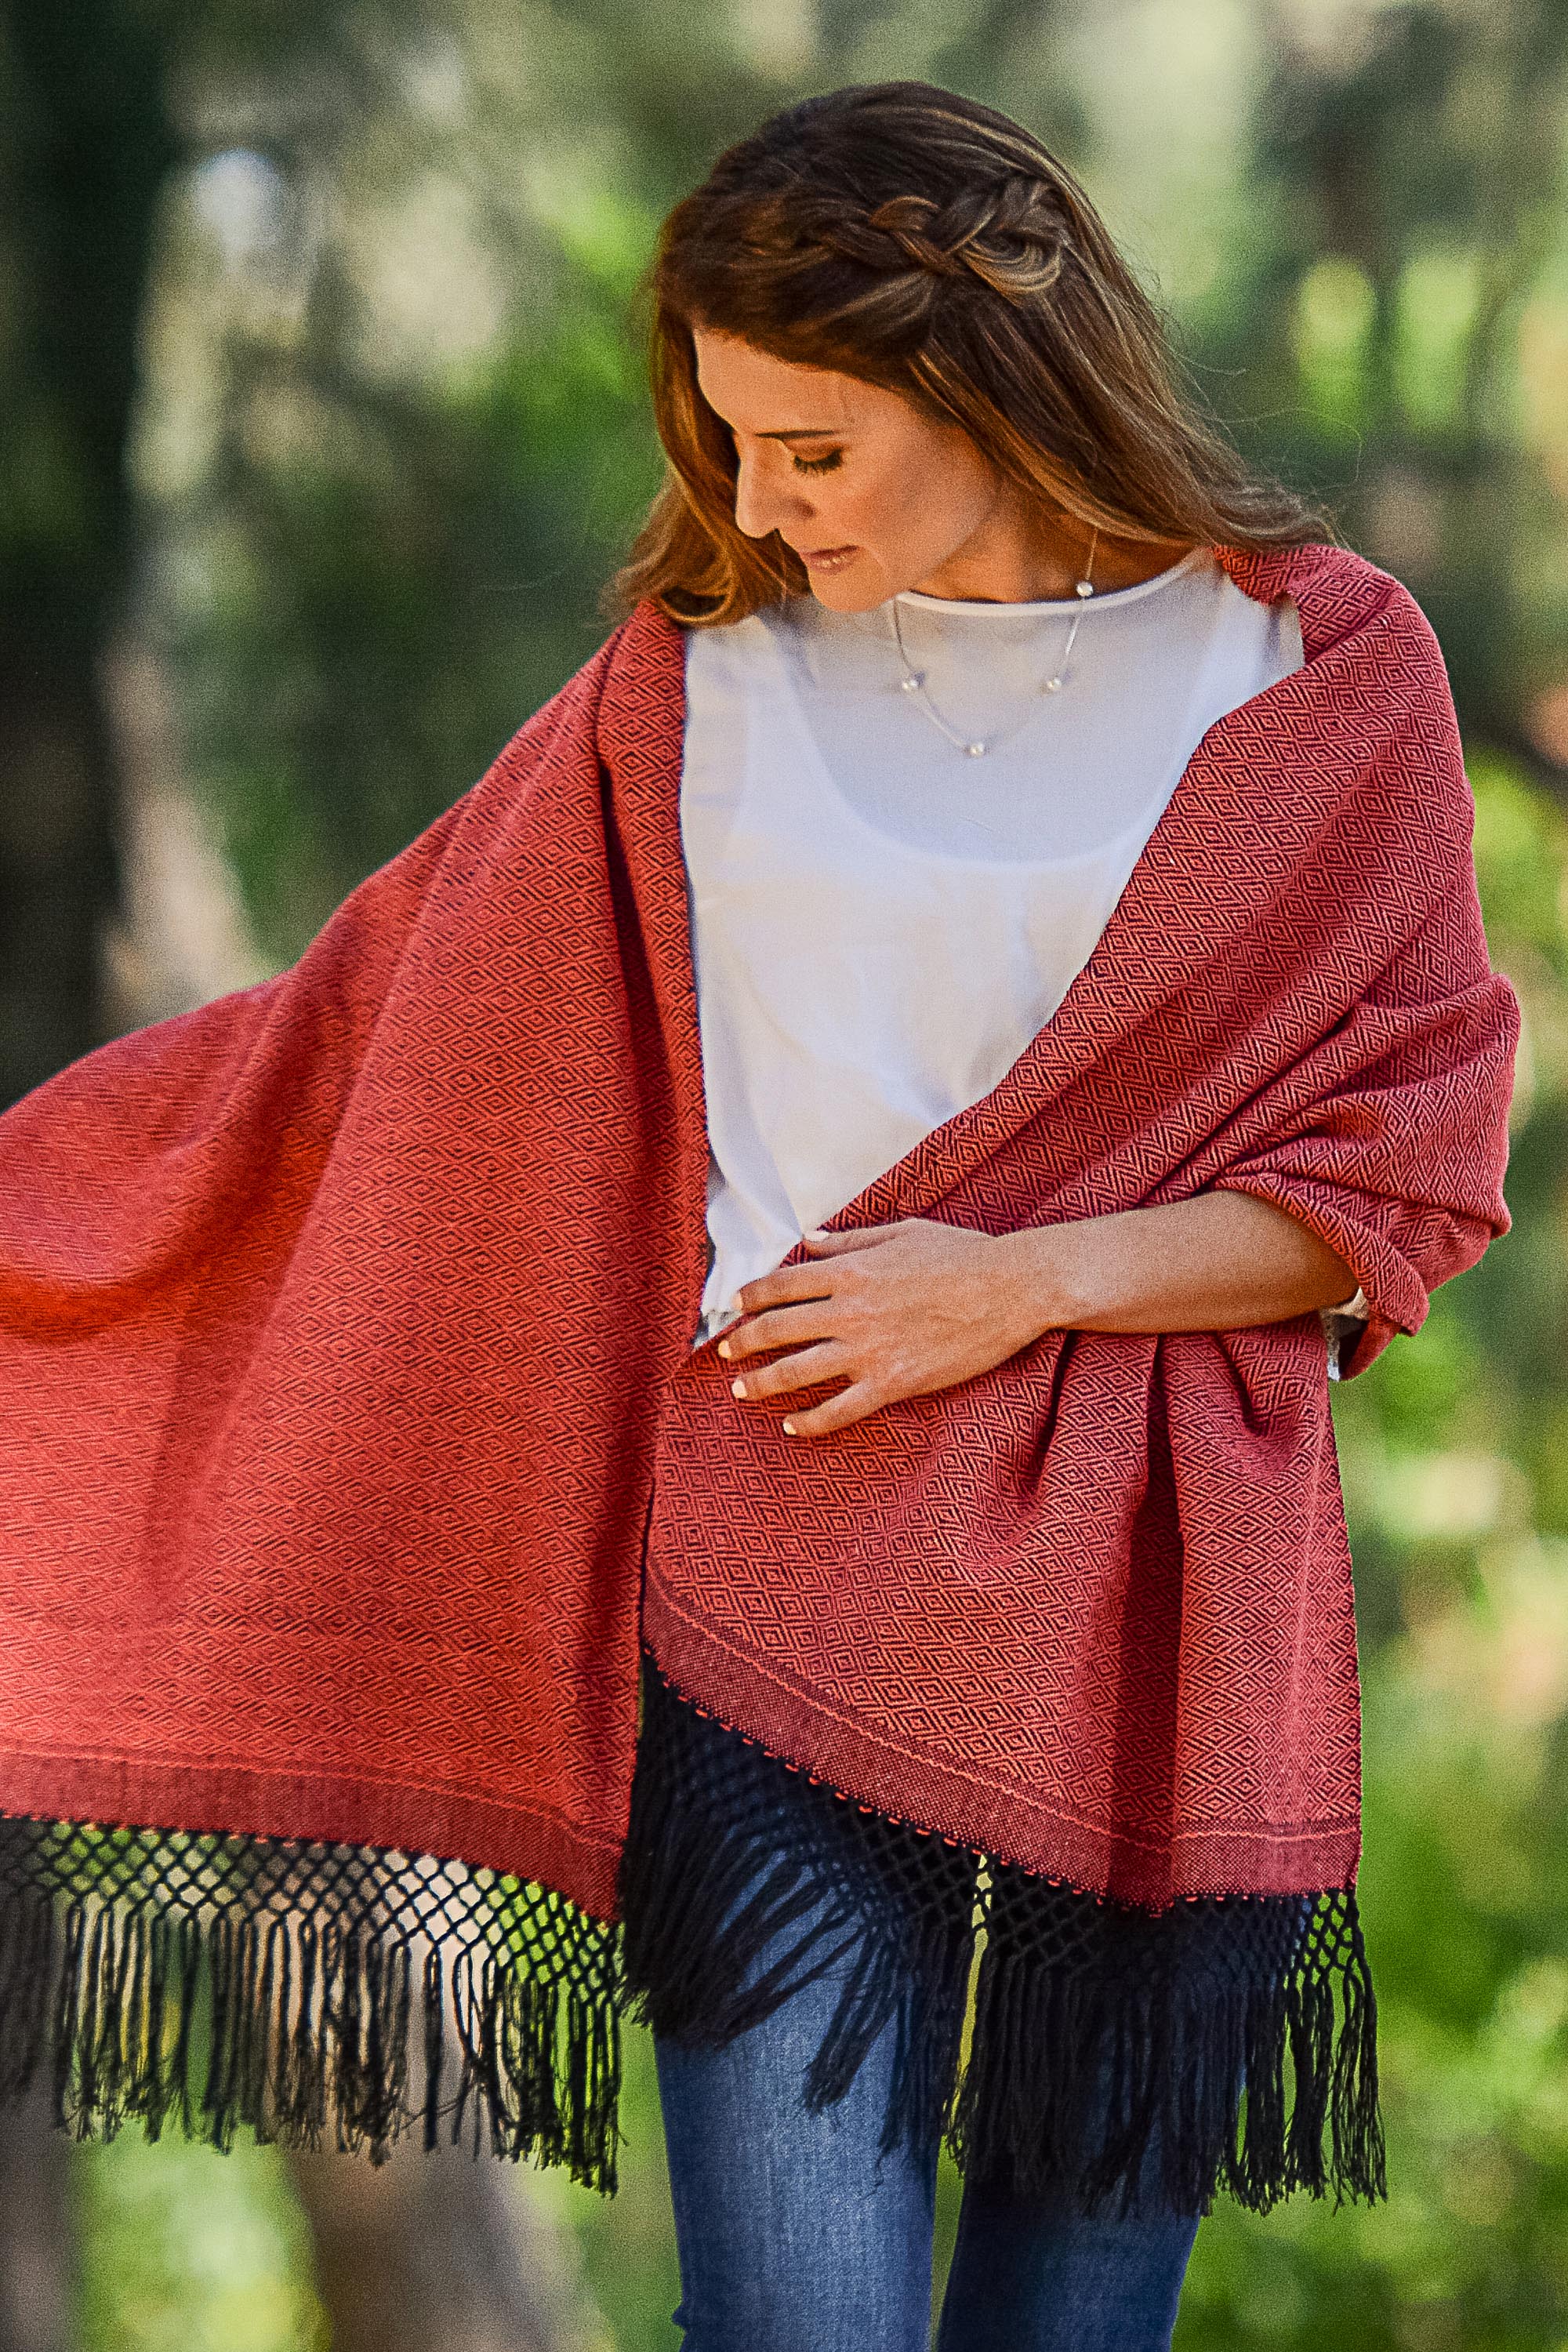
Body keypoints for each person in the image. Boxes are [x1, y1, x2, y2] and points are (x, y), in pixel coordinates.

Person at [0, 80, 1519, 2352]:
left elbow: (1400, 1176)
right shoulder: (685, 693)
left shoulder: (1314, 677)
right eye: (728, 445)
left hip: (1175, 1631)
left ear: (982, 372)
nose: (758, 502)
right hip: (774, 1601)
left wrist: (1011, 1287)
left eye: (813, 448)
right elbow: (341, 1048)